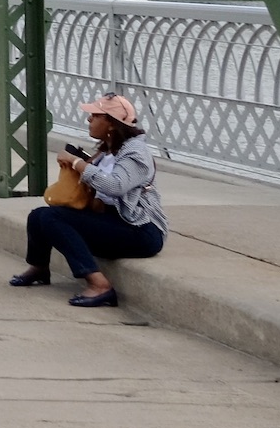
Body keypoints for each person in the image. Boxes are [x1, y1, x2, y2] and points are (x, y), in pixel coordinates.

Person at [11, 94, 166, 308]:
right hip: (112, 221)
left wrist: (76, 163)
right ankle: (39, 268)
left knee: (51, 217)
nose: (89, 120)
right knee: (39, 215)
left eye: (95, 115)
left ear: (111, 123)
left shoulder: (136, 153)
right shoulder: (108, 150)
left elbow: (115, 185)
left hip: (140, 230)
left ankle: (99, 285)